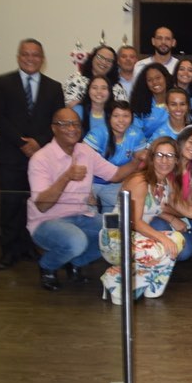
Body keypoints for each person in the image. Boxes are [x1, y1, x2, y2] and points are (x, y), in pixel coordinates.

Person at [26, 108, 140, 290]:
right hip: (46, 221)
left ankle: (75, 263)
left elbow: (115, 175)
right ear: (54, 128)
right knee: (76, 241)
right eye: (66, 124)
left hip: (81, 216)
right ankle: (47, 266)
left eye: (76, 124)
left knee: (117, 232)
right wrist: (66, 177)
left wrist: (136, 161)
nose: (72, 129)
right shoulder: (40, 159)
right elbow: (42, 206)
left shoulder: (85, 152)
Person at [0, 39, 65, 270]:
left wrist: (38, 142)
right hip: (12, 156)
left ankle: (29, 247)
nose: (30, 58)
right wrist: (22, 143)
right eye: (25, 54)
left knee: (34, 205)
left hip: (41, 158)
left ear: (43, 59)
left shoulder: (54, 87)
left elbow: (57, 121)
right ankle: (9, 251)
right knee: (11, 203)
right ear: (18, 56)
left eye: (35, 55)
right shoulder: (2, 83)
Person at [100, 137, 187, 304]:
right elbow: (134, 221)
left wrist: (171, 218)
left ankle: (146, 285)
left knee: (177, 240)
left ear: (176, 160)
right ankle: (113, 278)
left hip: (137, 236)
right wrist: (162, 238)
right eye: (160, 155)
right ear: (152, 157)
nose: (164, 160)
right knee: (163, 246)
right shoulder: (139, 181)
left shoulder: (165, 183)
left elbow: (156, 207)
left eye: (170, 156)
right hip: (117, 237)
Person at [149, 127, 192, 262]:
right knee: (166, 245)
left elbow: (186, 209)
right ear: (181, 141)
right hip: (149, 218)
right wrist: (172, 218)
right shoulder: (157, 167)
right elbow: (149, 205)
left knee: (183, 252)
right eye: (191, 142)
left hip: (180, 217)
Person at [83, 100, 147, 211]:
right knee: (89, 216)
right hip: (91, 182)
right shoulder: (98, 133)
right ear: (109, 117)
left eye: (126, 116)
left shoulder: (136, 134)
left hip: (116, 183)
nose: (121, 120)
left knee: (125, 212)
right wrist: (87, 191)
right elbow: (81, 161)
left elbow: (140, 160)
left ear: (132, 118)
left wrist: (131, 185)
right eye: (116, 116)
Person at [130, 63, 172, 139]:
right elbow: (136, 133)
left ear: (166, 78)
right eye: (150, 80)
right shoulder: (140, 105)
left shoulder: (176, 101)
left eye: (158, 78)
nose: (155, 82)